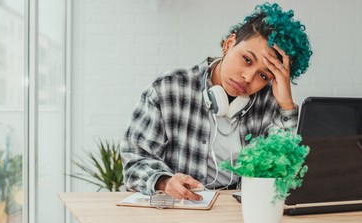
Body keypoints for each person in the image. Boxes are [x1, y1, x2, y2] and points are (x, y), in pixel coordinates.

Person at [120, 3, 312, 201]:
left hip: (239, 211)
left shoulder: (269, 104)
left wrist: (286, 105)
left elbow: (289, 172)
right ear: (229, 44)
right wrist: (165, 181)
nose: (248, 77)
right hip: (180, 210)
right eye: (247, 59)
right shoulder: (168, 89)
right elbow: (135, 158)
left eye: (263, 75)